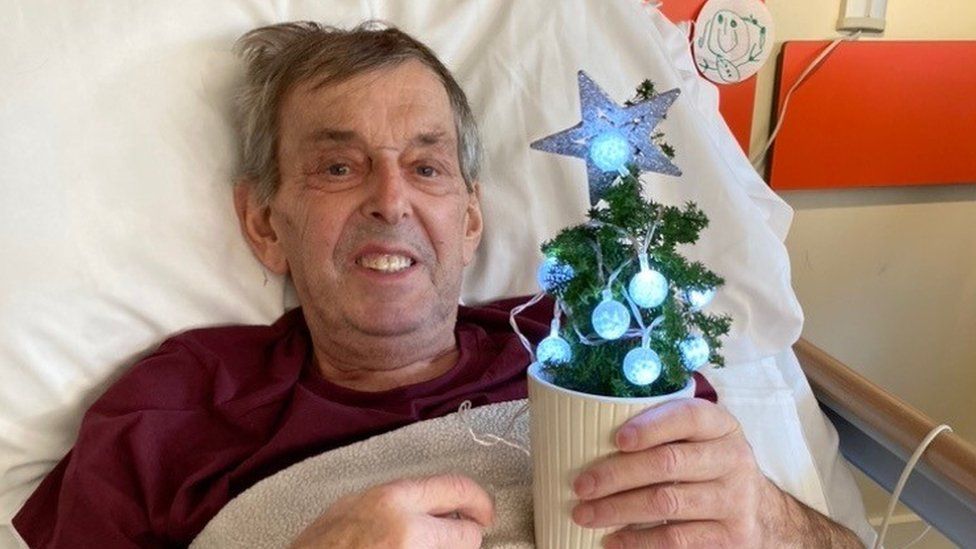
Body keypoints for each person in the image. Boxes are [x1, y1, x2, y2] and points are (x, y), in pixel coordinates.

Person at [13, 21, 863, 548]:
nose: (391, 200)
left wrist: (774, 521)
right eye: (338, 166)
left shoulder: (609, 353)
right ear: (265, 223)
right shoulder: (167, 413)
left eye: (426, 166)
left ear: (470, 220)